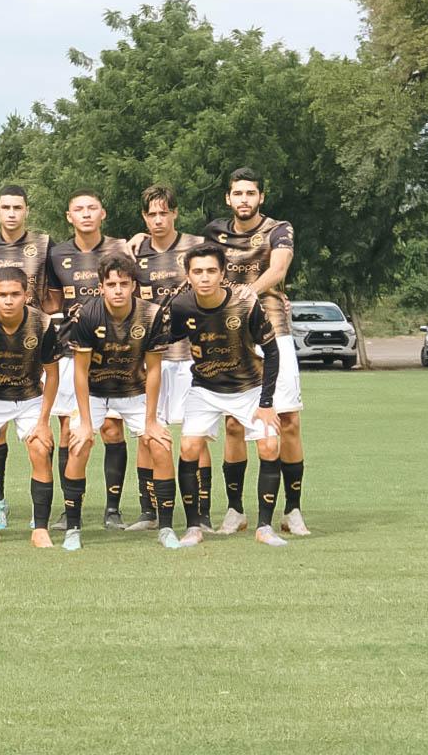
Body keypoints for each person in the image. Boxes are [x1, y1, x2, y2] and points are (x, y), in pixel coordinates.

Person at [204, 167, 307, 536]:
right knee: (234, 423)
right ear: (228, 198)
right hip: (230, 334)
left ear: (261, 197)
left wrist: (245, 294)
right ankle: (235, 510)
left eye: (250, 193)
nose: (244, 199)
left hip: (273, 328)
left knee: (288, 420)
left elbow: (278, 269)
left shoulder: (279, 229)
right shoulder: (215, 232)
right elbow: (192, 260)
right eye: (238, 193)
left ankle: (292, 510)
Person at [167, 244, 287, 547]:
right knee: (189, 447)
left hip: (249, 388)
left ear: (222, 273)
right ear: (188, 275)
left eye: (211, 271)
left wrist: (266, 403)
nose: (204, 277)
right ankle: (193, 527)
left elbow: (272, 353)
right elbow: (166, 335)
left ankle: (264, 527)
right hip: (205, 388)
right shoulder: (182, 305)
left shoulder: (245, 304)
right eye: (197, 272)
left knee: (269, 445)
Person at [67, 255, 174, 550]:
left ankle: (166, 528)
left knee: (161, 444)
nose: (118, 290)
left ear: (133, 286)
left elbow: (154, 369)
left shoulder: (151, 314)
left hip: (135, 390)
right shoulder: (87, 315)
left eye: (123, 284)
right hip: (94, 392)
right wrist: (85, 423)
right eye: (111, 284)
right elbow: (80, 371)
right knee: (78, 445)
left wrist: (151, 422)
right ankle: (73, 529)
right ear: (101, 287)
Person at [0, 184, 51, 531]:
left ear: (27, 210)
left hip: (32, 344)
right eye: (6, 207)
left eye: (18, 207)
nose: (12, 213)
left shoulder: (45, 244)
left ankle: (41, 514)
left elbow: (55, 289)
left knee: (41, 441)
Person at [44, 189, 128, 529]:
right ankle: (70, 509)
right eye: (79, 209)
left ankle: (113, 509)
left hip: (117, 351)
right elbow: (52, 303)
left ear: (103, 213)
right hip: (71, 350)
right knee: (69, 429)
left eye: (92, 208)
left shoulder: (122, 248)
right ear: (69, 216)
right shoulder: (56, 254)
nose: (86, 214)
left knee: (112, 428)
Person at [0, 270, 60, 550]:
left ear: (26, 295)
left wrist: (44, 421)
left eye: (15, 294)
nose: (8, 300)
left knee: (40, 448)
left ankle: (40, 529)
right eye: (2, 294)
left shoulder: (42, 323)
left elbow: (53, 374)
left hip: (29, 397)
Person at [127, 184, 206, 531]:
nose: (158, 219)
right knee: (148, 433)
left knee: (195, 435)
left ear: (175, 212)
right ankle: (149, 512)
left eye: (164, 212)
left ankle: (201, 514)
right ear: (144, 217)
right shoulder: (134, 251)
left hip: (192, 355)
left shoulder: (196, 247)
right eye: (151, 214)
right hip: (151, 357)